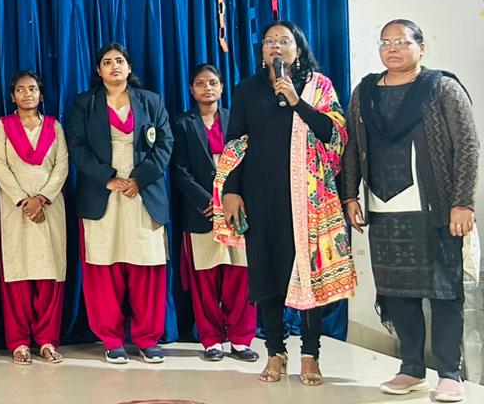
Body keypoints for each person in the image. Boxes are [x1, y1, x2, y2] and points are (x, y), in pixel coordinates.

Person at [341, 19, 479, 403]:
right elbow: (352, 146)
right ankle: (412, 369)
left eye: (402, 42)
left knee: (444, 291)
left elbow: (467, 146)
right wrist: (350, 195)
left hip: (435, 209)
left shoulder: (441, 87)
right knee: (396, 291)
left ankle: (449, 374)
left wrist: (462, 202)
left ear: (422, 47)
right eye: (385, 42)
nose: (392, 49)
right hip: (383, 208)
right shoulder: (365, 92)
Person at [218, 21, 355, 387]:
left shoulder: (318, 86)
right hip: (260, 195)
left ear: (298, 48)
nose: (275, 46)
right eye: (269, 41)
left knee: (308, 271)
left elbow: (335, 136)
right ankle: (275, 351)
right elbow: (235, 143)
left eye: (283, 40)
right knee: (267, 273)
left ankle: (310, 353)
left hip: (308, 199)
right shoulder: (247, 89)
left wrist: (296, 100)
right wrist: (231, 190)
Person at [69, 43, 173, 365]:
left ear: (129, 67)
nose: (114, 66)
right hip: (103, 193)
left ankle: (148, 339)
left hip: (143, 194)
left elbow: (165, 145)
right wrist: (109, 178)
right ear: (98, 71)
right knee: (104, 269)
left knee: (147, 268)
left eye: (119, 61)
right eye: (107, 62)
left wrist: (138, 179)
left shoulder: (151, 101)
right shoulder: (85, 103)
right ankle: (111, 339)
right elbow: (77, 146)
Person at [169, 64, 257, 363]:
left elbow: (251, 163)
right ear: (191, 89)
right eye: (200, 83)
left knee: (239, 275)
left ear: (221, 87)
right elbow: (179, 170)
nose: (207, 88)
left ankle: (241, 339)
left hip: (237, 209)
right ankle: (211, 340)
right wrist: (207, 200)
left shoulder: (237, 120)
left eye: (213, 82)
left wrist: (236, 197)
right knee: (205, 279)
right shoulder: (182, 123)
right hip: (202, 211)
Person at [0, 70, 69, 366]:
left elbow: (62, 166)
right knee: (18, 275)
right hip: (15, 209)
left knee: (49, 273)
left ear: (41, 94)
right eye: (21, 89)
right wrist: (25, 201)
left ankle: (47, 340)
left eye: (33, 89)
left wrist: (42, 199)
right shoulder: (3, 126)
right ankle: (19, 342)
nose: (27, 94)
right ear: (12, 96)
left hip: (50, 207)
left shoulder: (54, 126)